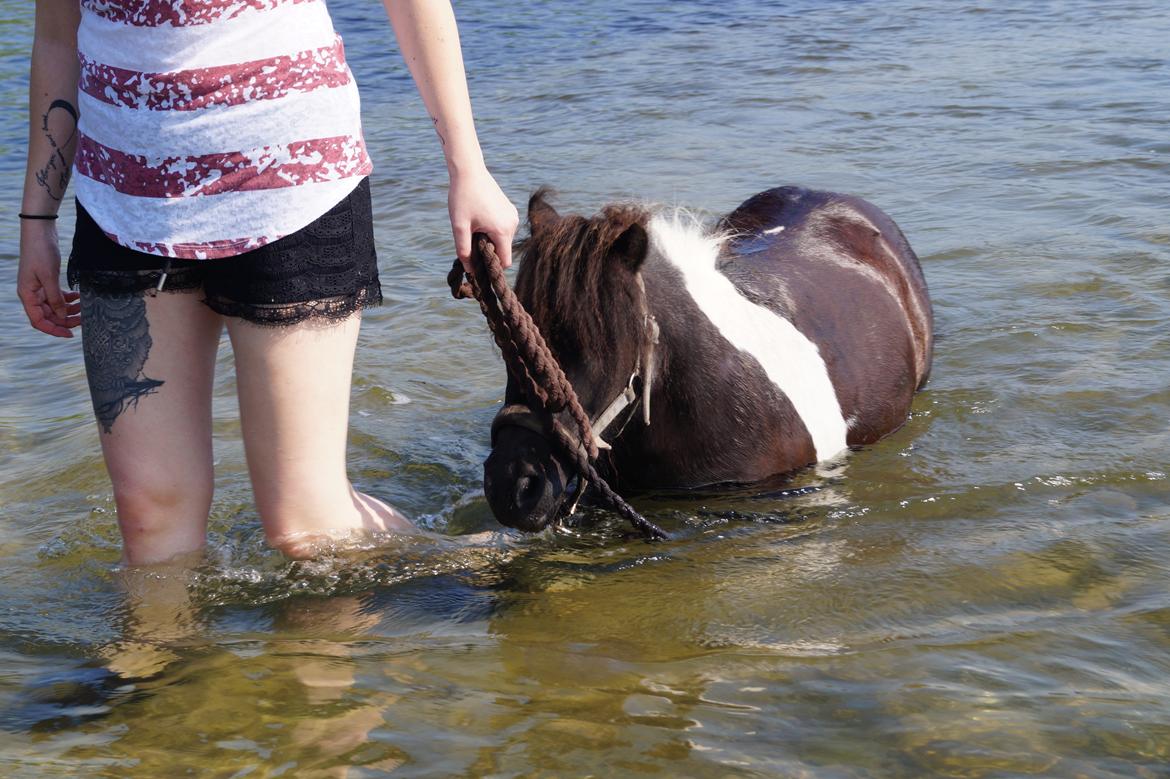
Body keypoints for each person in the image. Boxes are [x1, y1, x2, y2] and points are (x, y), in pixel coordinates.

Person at [17, 0, 518, 565]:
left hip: (293, 188)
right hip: (121, 205)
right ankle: (164, 653)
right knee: (150, 517)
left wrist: (467, 169)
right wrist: (37, 220)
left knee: (306, 527)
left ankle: (473, 568)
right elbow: (58, 38)